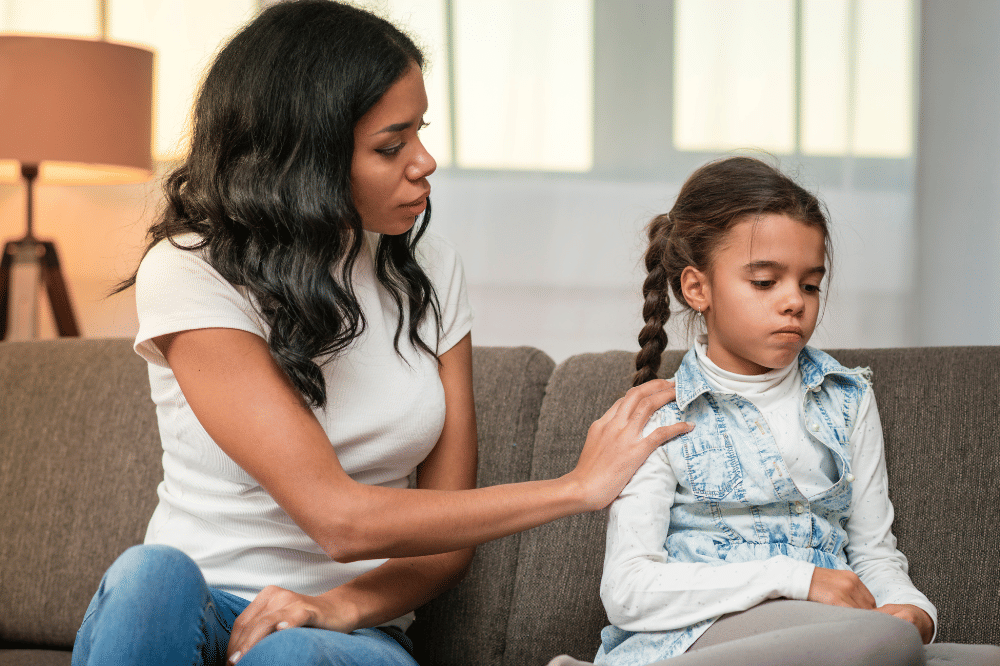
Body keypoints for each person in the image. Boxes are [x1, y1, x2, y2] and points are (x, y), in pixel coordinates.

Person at [70, 3, 689, 665]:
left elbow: (447, 540)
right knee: (149, 577)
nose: (424, 162)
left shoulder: (431, 268)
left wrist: (334, 608)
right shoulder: (191, 269)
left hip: (348, 631)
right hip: (194, 616)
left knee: (293, 657)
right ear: (303, 158)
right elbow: (336, 519)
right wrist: (576, 487)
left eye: (419, 132)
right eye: (391, 146)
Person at [549, 157, 1000, 666]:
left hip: (839, 635)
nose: (795, 302)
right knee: (879, 643)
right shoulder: (658, 414)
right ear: (698, 288)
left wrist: (915, 612)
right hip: (699, 637)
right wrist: (797, 579)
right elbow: (629, 590)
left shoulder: (847, 398)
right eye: (765, 282)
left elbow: (873, 551)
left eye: (810, 284)